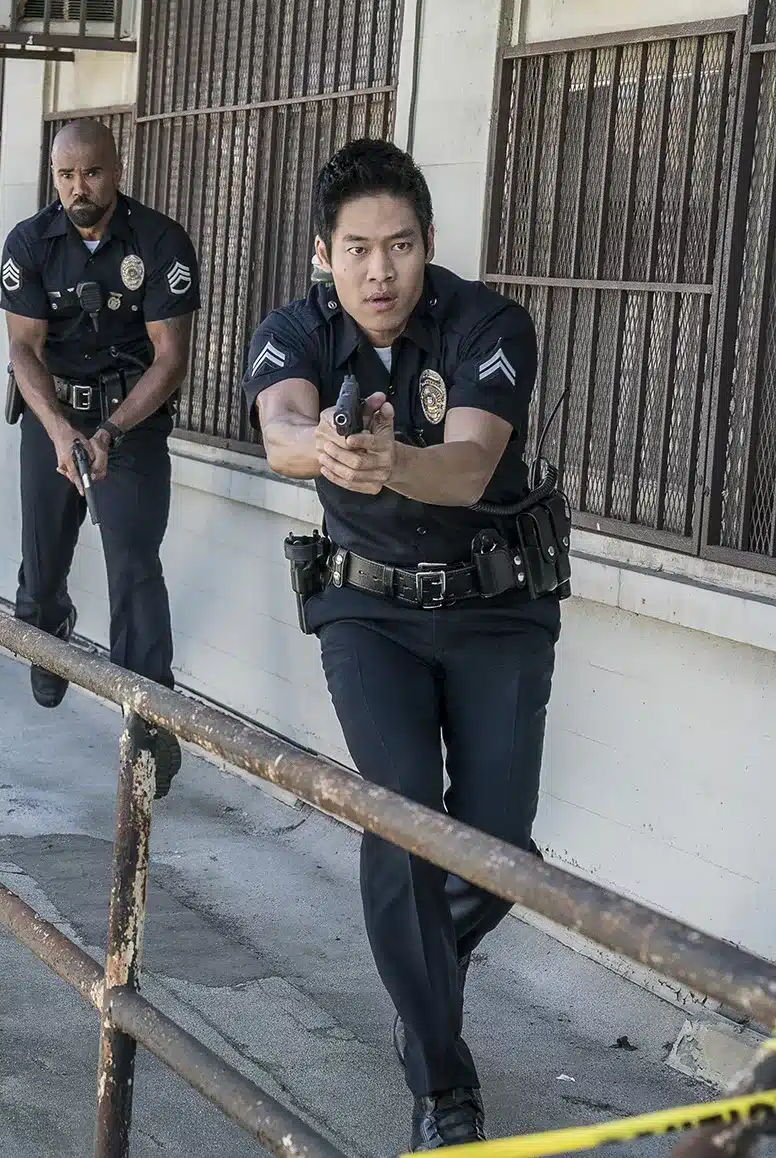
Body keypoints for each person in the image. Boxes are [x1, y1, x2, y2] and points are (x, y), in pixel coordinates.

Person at [244, 138, 568, 1148]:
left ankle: (421, 964)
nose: (379, 270)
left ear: (427, 243)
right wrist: (324, 449)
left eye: (400, 246)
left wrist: (388, 463)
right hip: (367, 614)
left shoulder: (488, 324)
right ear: (323, 255)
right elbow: (279, 429)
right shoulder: (296, 331)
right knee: (402, 819)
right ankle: (442, 1090)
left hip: (495, 608)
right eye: (357, 249)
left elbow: (468, 465)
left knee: (499, 850)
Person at [0, 118, 198, 795]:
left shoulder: (160, 242)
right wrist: (59, 429)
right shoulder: (29, 242)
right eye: (66, 175)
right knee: (39, 571)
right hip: (52, 415)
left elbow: (170, 359)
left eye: (91, 173)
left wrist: (109, 431)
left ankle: (148, 724)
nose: (79, 187)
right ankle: (48, 621)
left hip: (130, 420)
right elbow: (23, 347)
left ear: (117, 169)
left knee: (135, 568)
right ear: (53, 176)